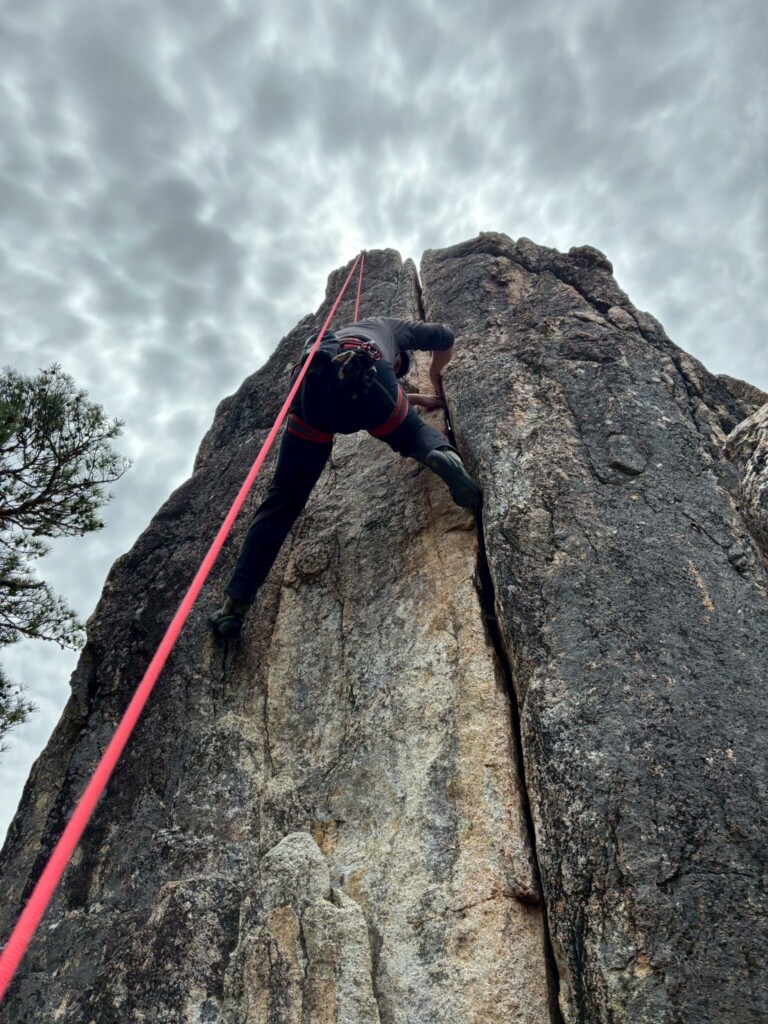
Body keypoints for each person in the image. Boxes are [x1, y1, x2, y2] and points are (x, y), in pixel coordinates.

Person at [209, 316, 482, 638]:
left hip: (312, 393)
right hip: (371, 384)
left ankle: (235, 605)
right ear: (397, 360)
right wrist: (436, 376)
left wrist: (418, 398)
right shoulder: (389, 335)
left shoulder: (361, 330)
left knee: (282, 501)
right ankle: (440, 454)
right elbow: (445, 336)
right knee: (411, 434)